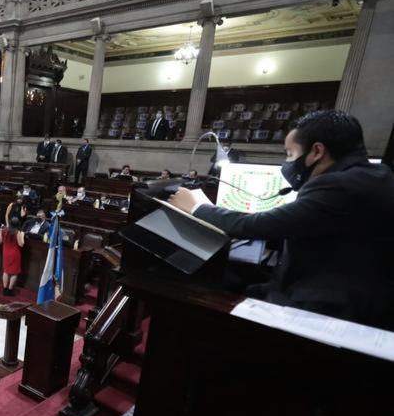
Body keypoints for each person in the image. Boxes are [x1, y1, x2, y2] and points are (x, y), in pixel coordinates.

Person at [169, 110, 394, 330]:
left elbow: (254, 225)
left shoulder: (339, 185)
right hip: (360, 300)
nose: (288, 163)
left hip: (330, 312)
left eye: (290, 154)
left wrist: (196, 206)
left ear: (317, 151)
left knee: (196, 296)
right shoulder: (378, 175)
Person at [0, 218, 25, 296]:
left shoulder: (4, 230)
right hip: (15, 254)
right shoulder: (17, 232)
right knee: (14, 272)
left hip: (6, 253)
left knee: (6, 271)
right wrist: (22, 235)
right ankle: (9, 290)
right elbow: (21, 244)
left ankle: (4, 289)